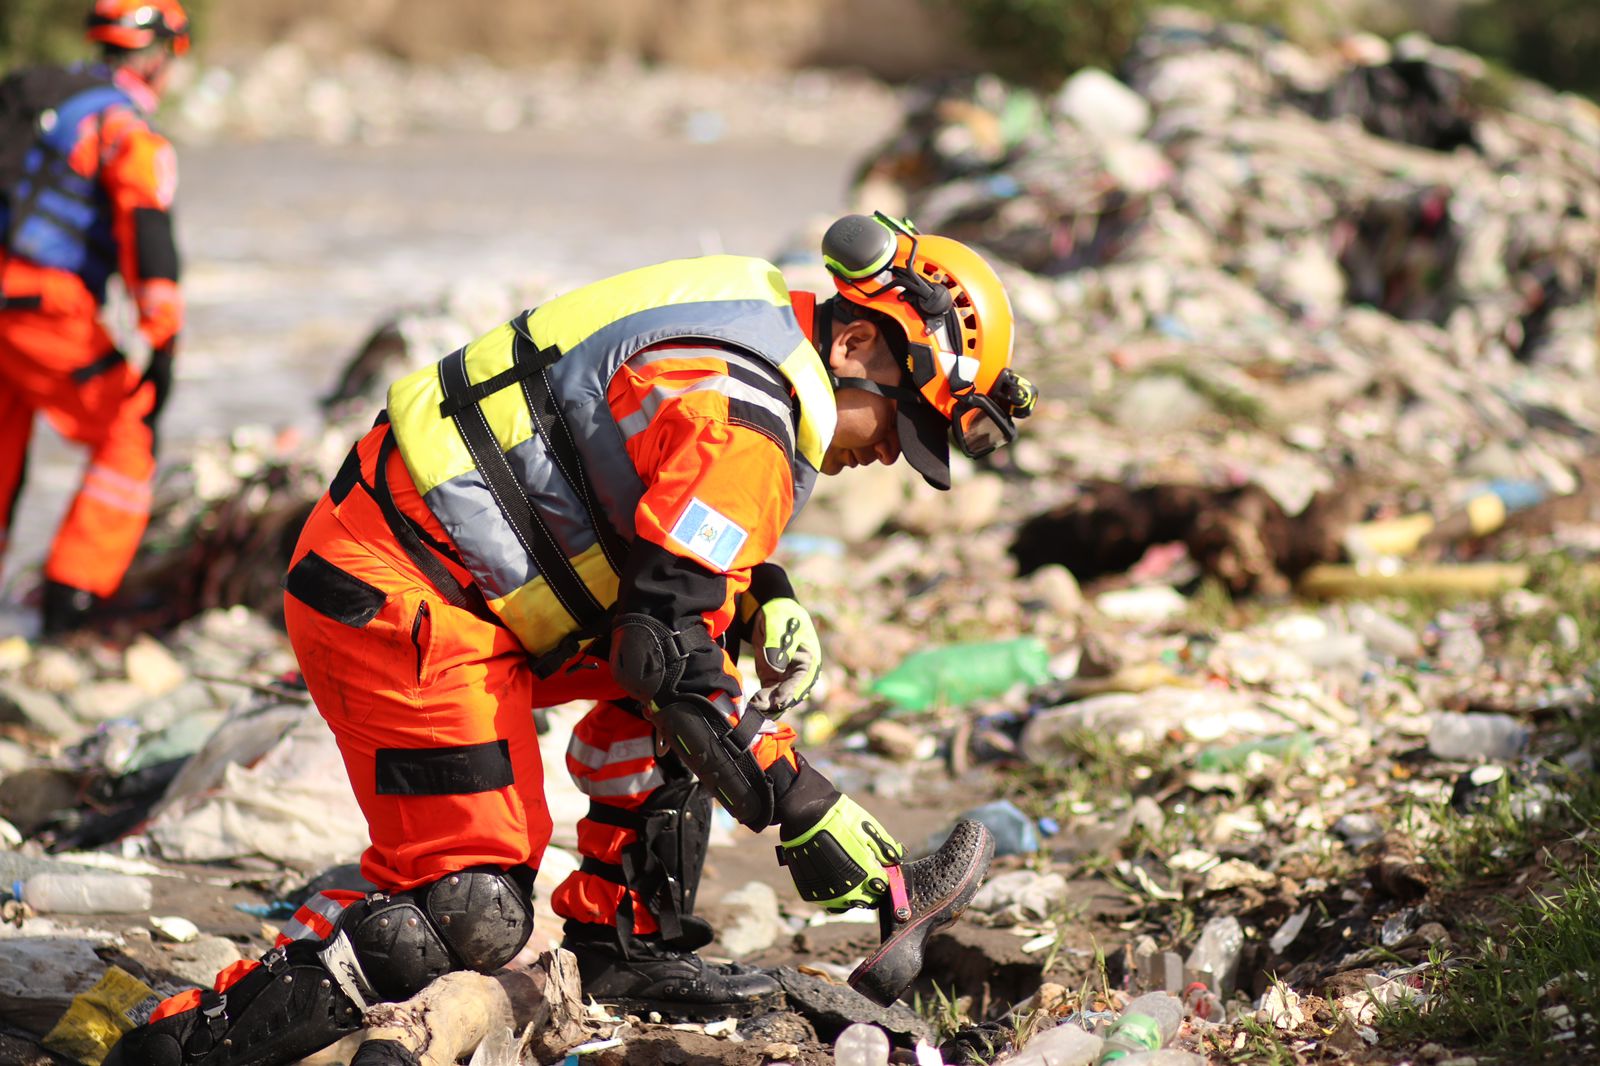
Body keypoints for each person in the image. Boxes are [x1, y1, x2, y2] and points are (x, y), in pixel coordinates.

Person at [108, 212, 1038, 1065]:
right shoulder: (744, 416)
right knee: (470, 906)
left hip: (469, 584)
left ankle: (618, 945)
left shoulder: (767, 326)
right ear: (861, 338)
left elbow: (658, 524)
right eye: (903, 421)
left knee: (690, 662)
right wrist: (808, 811)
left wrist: (764, 595)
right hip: (400, 598)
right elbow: (668, 655)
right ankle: (188, 1045)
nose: (892, 453)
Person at [0, 0, 187, 636]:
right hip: (38, 309)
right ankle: (71, 602)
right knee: (128, 434)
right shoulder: (125, 128)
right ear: (159, 56)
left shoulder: (44, 103)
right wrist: (161, 336)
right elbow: (145, 222)